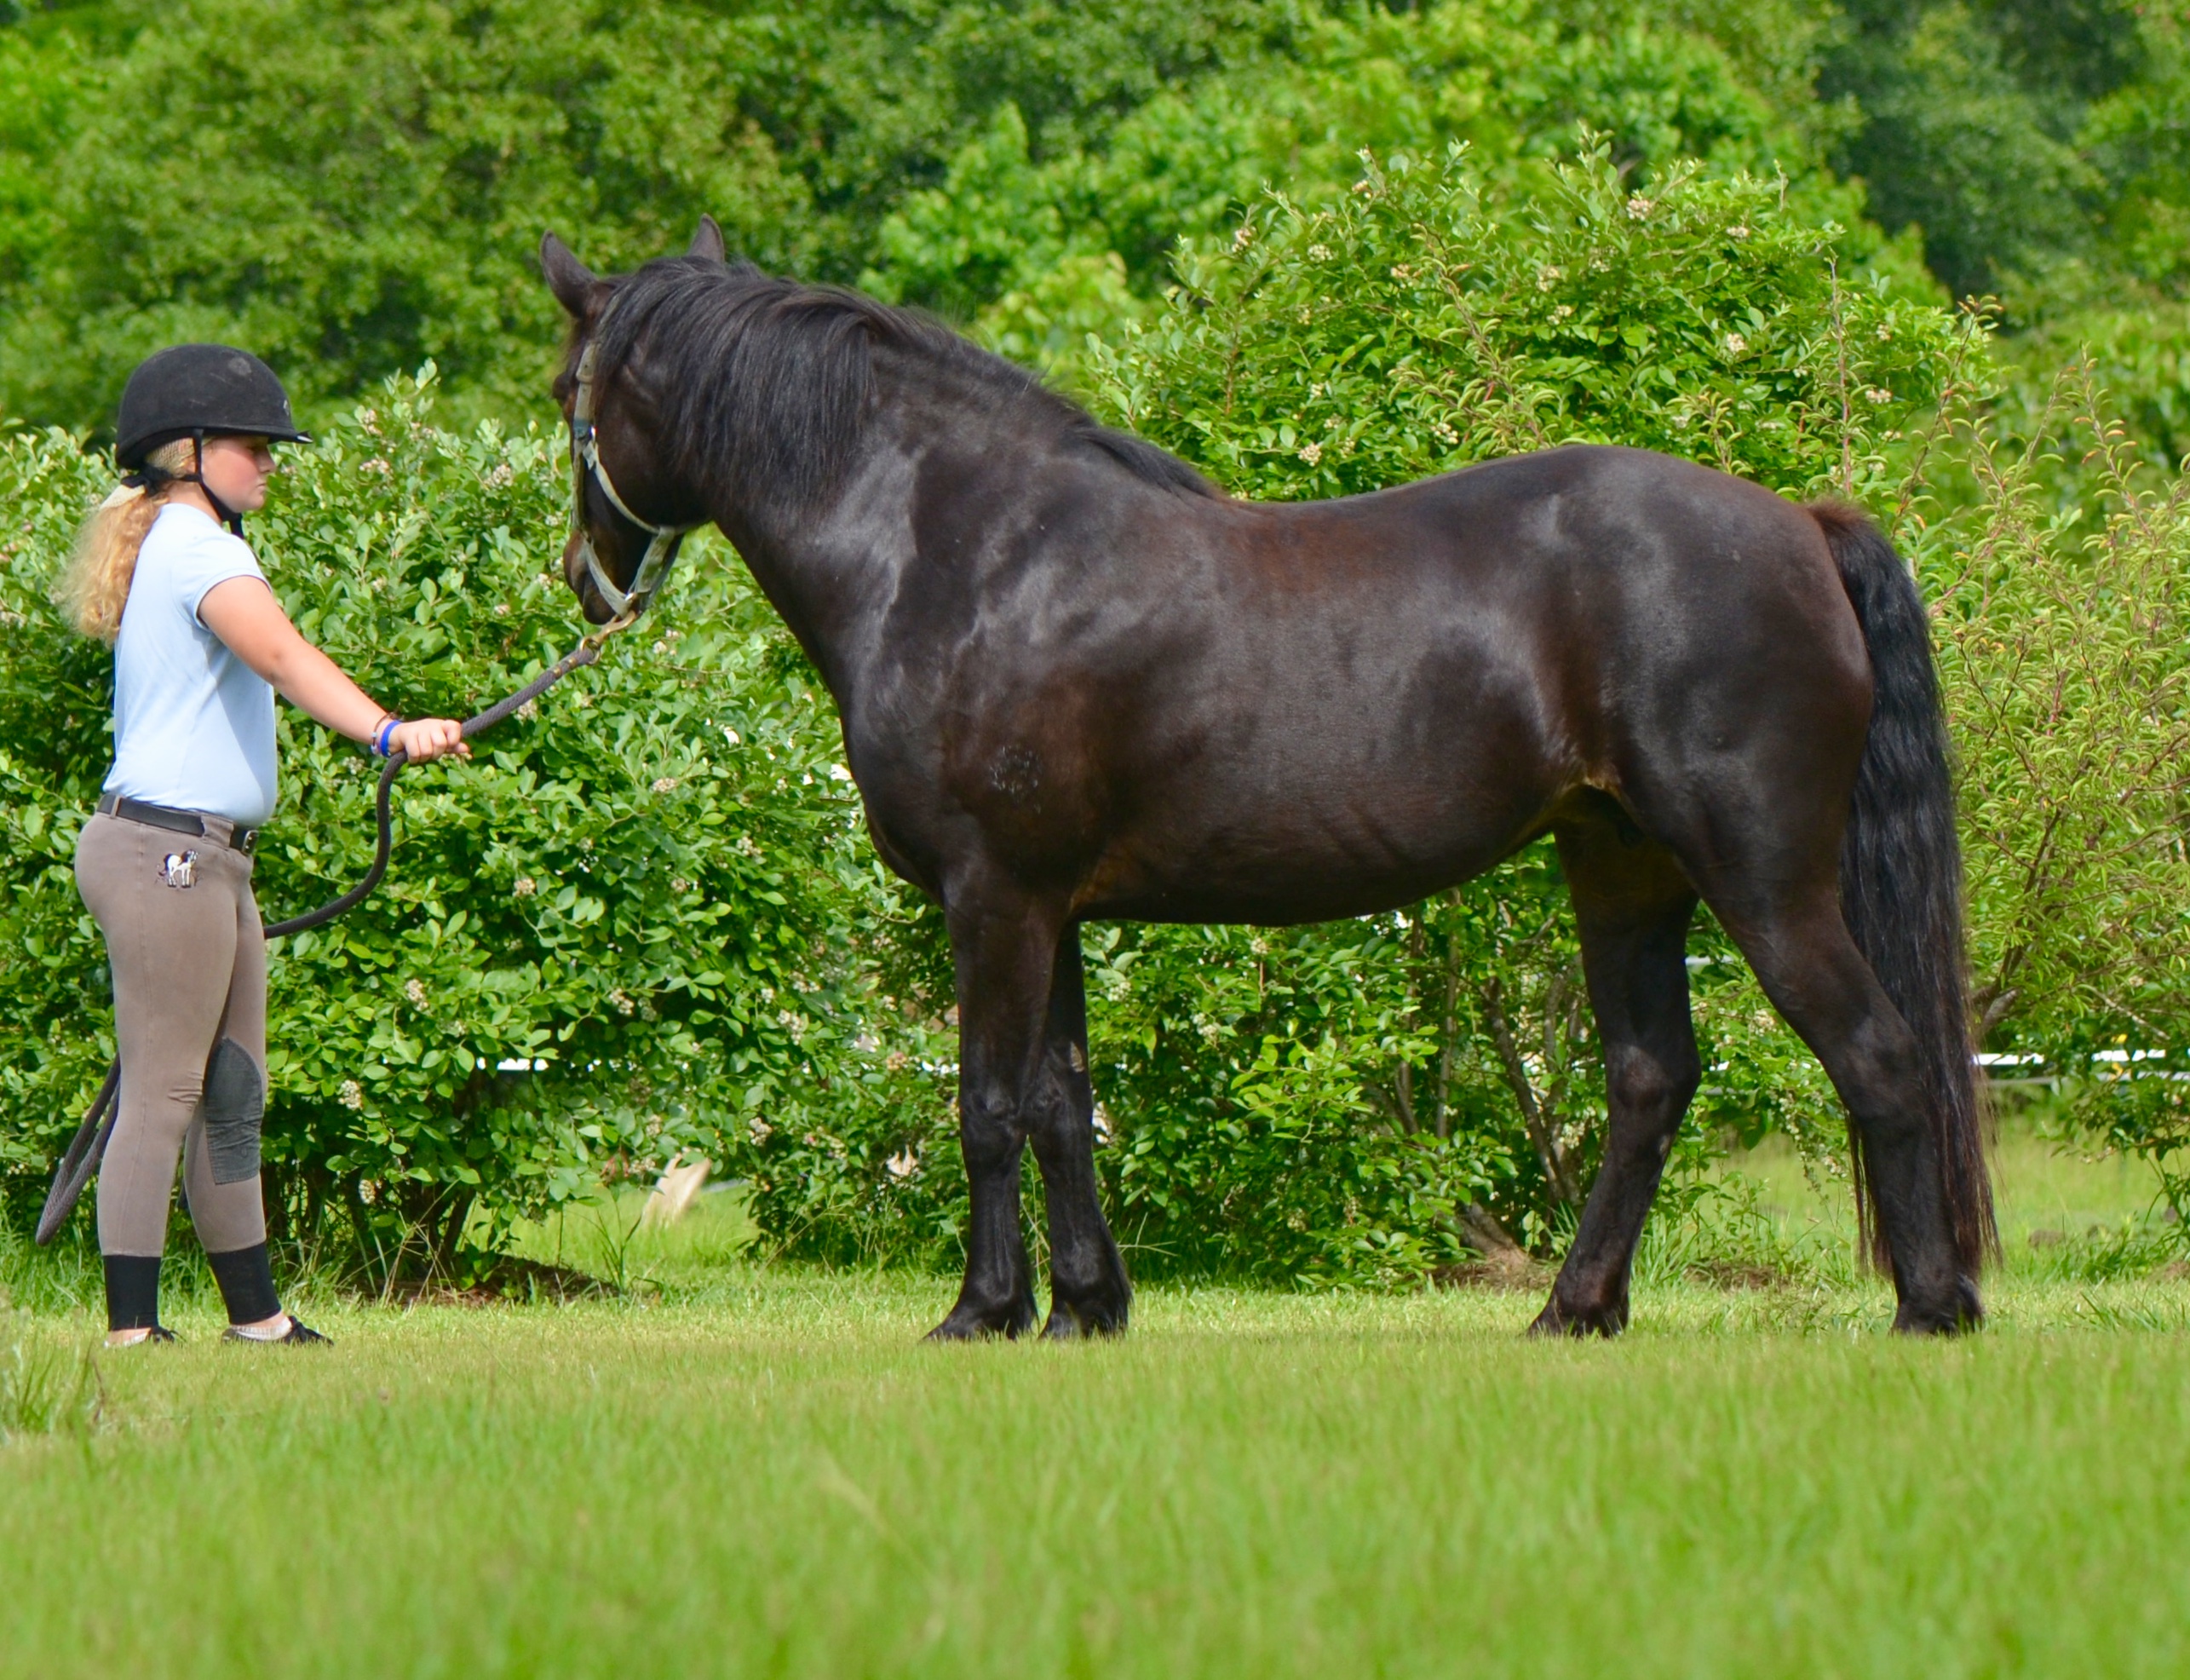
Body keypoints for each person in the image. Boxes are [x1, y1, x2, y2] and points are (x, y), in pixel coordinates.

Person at [52, 344, 468, 1347]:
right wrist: (387, 728)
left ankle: (258, 1320)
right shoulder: (201, 549)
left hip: (208, 858)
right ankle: (132, 1330)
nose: (272, 460)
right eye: (254, 444)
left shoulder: (189, 541)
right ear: (189, 452)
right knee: (168, 1087)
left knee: (234, 1090)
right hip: (168, 858)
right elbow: (281, 654)